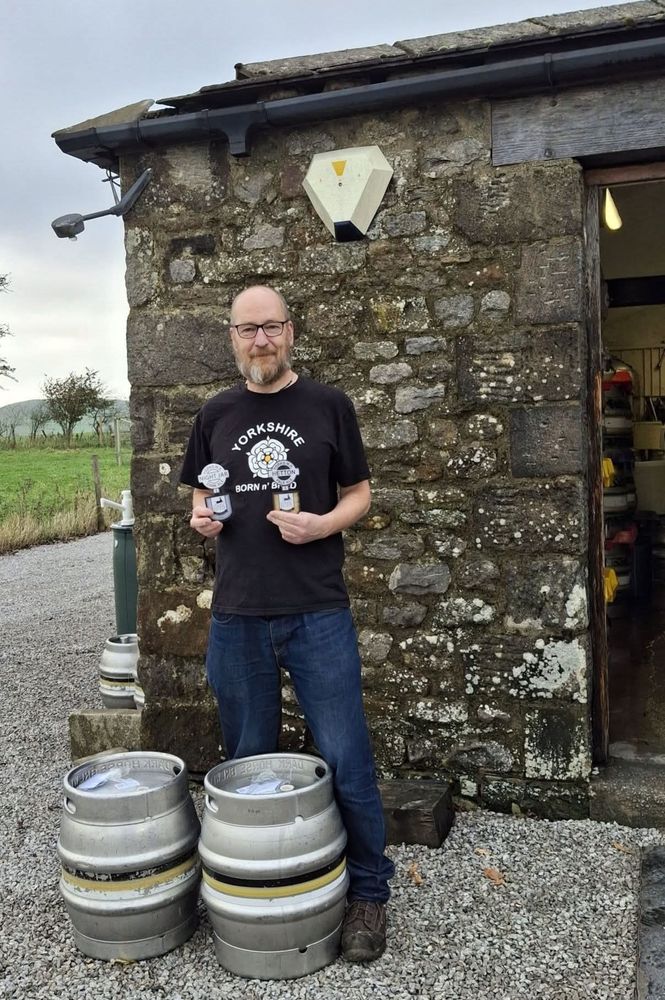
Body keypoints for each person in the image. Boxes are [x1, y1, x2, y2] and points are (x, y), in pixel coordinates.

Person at [180, 284, 394, 963]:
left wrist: (323, 523)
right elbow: (199, 499)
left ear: (291, 332)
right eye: (248, 330)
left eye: (271, 328)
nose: (260, 341)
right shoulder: (214, 413)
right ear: (232, 337)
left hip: (316, 611)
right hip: (238, 614)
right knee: (247, 764)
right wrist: (201, 519)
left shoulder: (328, 406)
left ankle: (367, 894)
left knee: (346, 758)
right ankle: (259, 885)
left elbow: (359, 492)